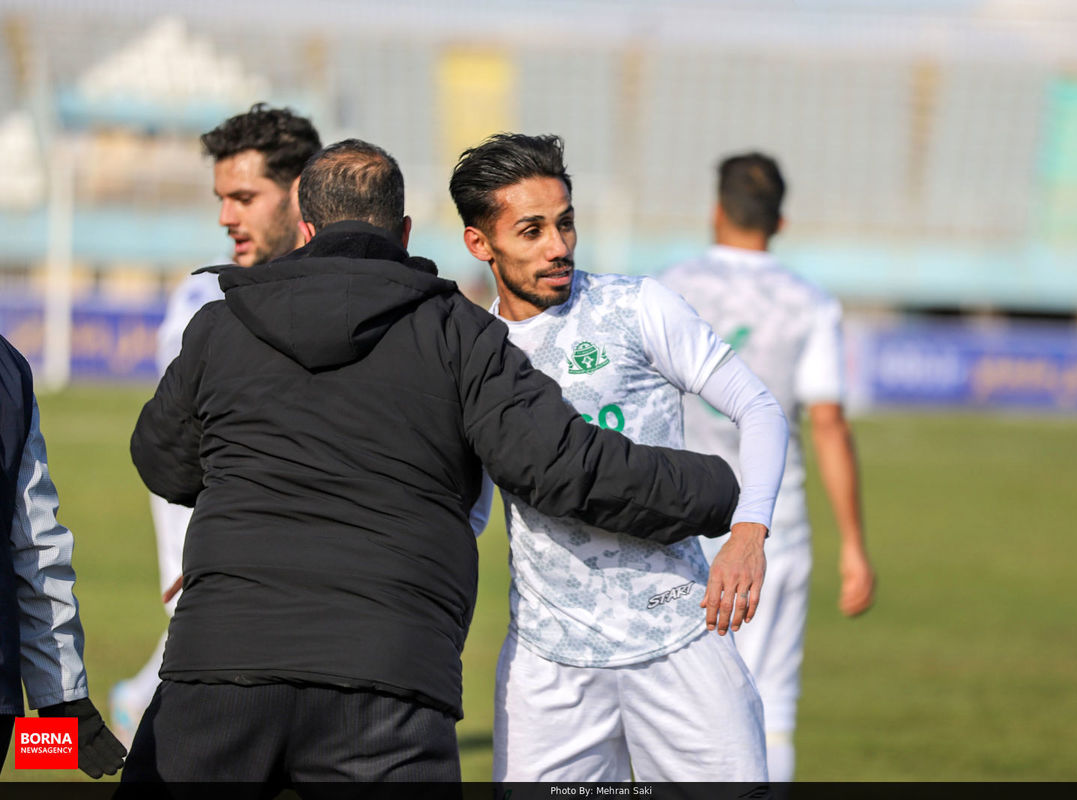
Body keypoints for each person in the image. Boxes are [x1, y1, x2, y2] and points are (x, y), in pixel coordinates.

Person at [122, 139, 743, 785]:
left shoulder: (223, 324)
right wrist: (722, 486)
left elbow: (162, 459)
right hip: (388, 681)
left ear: (305, 229)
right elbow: (565, 466)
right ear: (405, 230)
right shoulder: (461, 332)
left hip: (222, 660)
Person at [450, 133, 790, 782]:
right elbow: (468, 513)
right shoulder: (473, 353)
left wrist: (749, 533)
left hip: (680, 639)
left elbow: (759, 407)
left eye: (565, 223)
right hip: (549, 668)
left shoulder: (636, 308)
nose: (558, 246)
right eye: (532, 230)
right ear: (479, 243)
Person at [108, 103, 321, 747]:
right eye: (222, 197)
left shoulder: (344, 291)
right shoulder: (202, 300)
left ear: (301, 193)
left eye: (244, 197)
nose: (226, 216)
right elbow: (192, 443)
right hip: (215, 574)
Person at [659, 152, 877, 782]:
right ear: (779, 220)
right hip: (770, 529)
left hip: (674, 517)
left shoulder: (666, 287)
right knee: (769, 705)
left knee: (671, 704)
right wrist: (855, 548)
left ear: (715, 210)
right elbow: (829, 423)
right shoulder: (809, 302)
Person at [1, 335, 126, 779]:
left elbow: (34, 544)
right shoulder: (8, 369)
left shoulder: (9, 372)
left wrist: (63, 703)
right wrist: (61, 699)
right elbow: (35, 548)